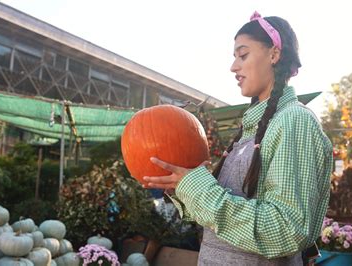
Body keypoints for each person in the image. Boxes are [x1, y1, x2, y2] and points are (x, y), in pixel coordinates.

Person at [143, 10, 333, 266]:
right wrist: (183, 189)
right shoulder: (251, 128)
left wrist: (200, 189)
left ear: (274, 55)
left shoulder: (294, 121)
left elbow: (287, 228)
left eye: (243, 55)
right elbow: (221, 217)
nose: (234, 67)